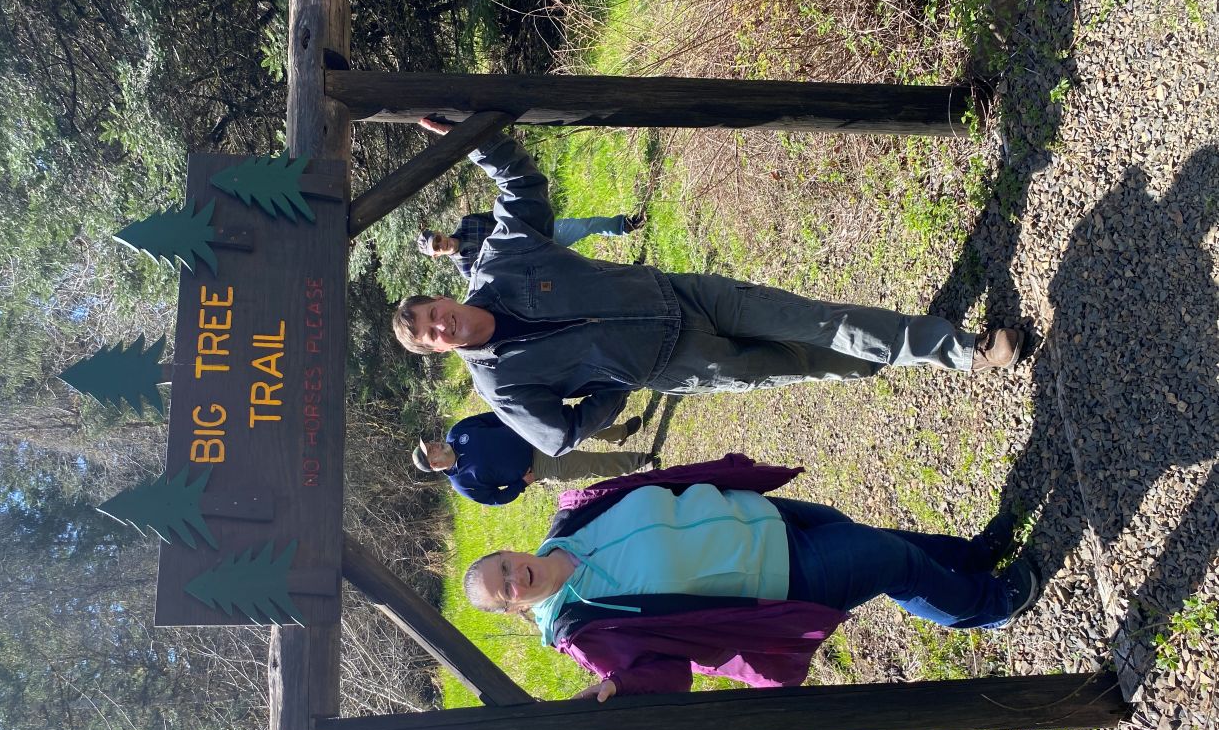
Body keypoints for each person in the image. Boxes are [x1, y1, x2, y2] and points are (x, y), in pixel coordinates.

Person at [393, 119, 1025, 458]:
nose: (439, 325)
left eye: (430, 314)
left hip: (684, 295)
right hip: (684, 364)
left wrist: (474, 141)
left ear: (439, 298)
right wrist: (617, 385)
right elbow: (556, 437)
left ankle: (960, 350)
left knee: (817, 321)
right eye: (429, 336)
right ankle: (880, 355)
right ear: (437, 349)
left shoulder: (501, 261)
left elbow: (522, 186)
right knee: (805, 363)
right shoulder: (500, 384)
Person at [461, 455, 1038, 700]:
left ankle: (970, 557)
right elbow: (665, 673)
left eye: (502, 566)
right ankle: (989, 604)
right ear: (515, 609)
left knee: (875, 542)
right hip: (779, 579)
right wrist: (618, 688)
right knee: (890, 562)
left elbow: (658, 487)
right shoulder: (584, 631)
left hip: (768, 518)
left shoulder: (571, 515)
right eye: (505, 589)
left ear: (509, 550)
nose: (514, 577)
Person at [413, 412, 653, 506]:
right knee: (591, 464)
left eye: (430, 443)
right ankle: (640, 461)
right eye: (430, 450)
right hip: (538, 465)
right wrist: (522, 484)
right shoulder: (463, 484)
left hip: (534, 433)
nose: (434, 444)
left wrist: (526, 421)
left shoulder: (458, 432)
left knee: (584, 426)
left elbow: (495, 418)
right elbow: (495, 498)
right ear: (435, 465)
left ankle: (620, 432)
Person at [419, 210, 645, 280]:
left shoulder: (468, 222)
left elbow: (502, 213)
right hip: (537, 262)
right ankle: (634, 272)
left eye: (437, 239)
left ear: (439, 232)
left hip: (537, 232)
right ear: (436, 256)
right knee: (587, 269)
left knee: (584, 225)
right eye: (436, 248)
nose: (441, 244)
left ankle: (624, 225)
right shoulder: (468, 270)